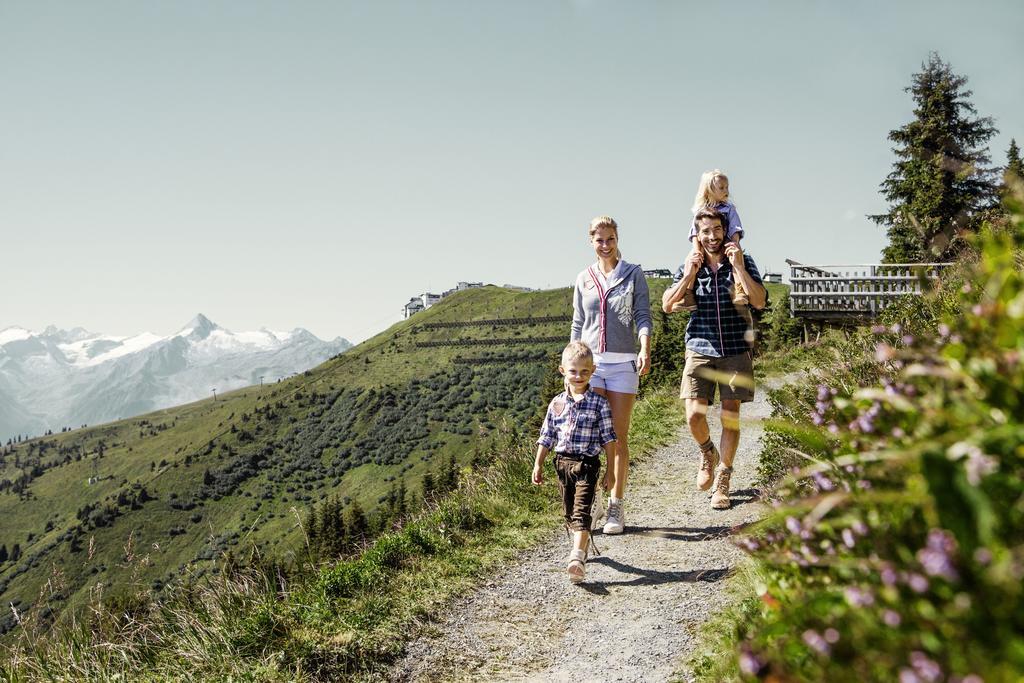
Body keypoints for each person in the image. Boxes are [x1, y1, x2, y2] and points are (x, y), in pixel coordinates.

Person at [662, 207, 766, 509]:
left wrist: (739, 268)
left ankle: (723, 479)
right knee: (694, 415)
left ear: (725, 230)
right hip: (699, 346)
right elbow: (668, 305)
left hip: (735, 348)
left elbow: (758, 300)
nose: (711, 236)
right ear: (697, 234)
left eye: (716, 230)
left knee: (730, 415)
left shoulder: (742, 260)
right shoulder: (690, 263)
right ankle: (708, 452)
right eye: (705, 231)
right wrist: (690, 275)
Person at [570, 215, 652, 535]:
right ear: (591, 241)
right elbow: (578, 324)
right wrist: (572, 366)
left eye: (611, 239)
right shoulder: (584, 278)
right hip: (591, 366)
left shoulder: (633, 274)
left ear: (618, 239)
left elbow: (643, 316)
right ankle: (590, 502)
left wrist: (645, 348)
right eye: (599, 240)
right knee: (591, 438)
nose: (605, 245)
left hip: (622, 365)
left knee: (617, 438)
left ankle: (616, 505)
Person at [533, 341, 617, 583]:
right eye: (573, 371)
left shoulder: (599, 403)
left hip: (587, 464)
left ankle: (577, 558)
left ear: (592, 371)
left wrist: (611, 471)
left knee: (580, 513)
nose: (578, 376)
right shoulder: (556, 404)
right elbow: (546, 436)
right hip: (562, 464)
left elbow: (609, 439)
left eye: (584, 371)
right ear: (563, 371)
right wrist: (538, 464)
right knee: (570, 514)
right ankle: (583, 538)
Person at [679, 170, 747, 311]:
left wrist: (735, 243)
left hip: (726, 243)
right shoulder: (700, 211)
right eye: (721, 188)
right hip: (704, 246)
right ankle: (688, 294)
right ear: (709, 190)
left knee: (736, 259)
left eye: (727, 187)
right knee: (691, 260)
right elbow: (694, 232)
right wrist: (697, 250)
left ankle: (739, 289)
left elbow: (735, 227)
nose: (726, 191)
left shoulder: (729, 209)